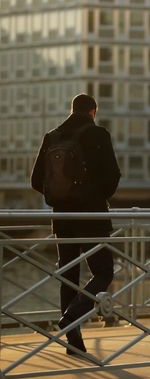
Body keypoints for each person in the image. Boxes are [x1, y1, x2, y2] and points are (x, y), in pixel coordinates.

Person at [31, 93, 120, 356]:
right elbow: (113, 175)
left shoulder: (53, 136)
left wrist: (62, 197)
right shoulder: (99, 135)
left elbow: (37, 180)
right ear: (93, 112)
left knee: (68, 276)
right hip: (92, 216)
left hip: (62, 217)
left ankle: (73, 342)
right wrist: (94, 197)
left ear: (72, 110)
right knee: (103, 271)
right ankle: (74, 315)